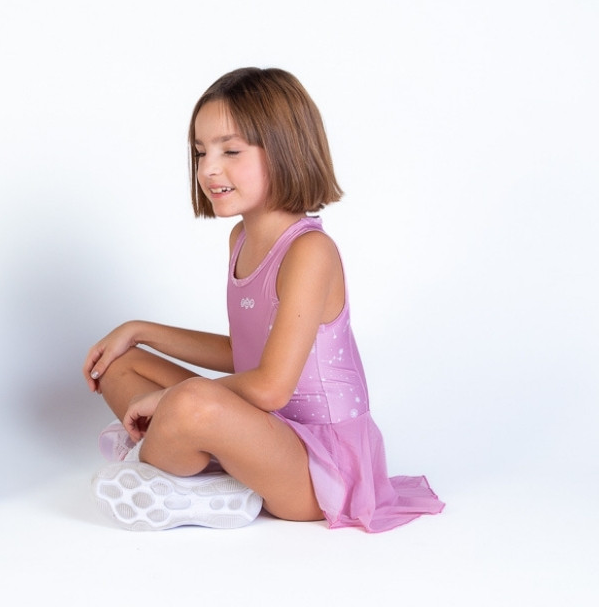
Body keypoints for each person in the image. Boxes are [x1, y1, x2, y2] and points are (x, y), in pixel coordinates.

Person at [83, 67, 443, 532]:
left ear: (285, 150)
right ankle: (210, 483)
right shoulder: (240, 236)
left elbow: (272, 386)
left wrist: (171, 399)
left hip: (320, 471)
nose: (209, 168)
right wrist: (141, 331)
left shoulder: (310, 251)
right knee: (121, 365)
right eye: (201, 152)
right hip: (264, 429)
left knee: (190, 402)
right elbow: (243, 354)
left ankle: (172, 475)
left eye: (230, 150)